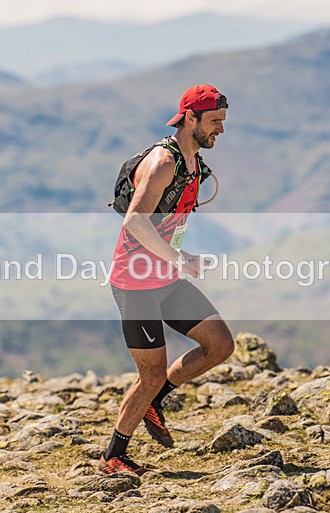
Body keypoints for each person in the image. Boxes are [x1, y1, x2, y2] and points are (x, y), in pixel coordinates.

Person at [101, 84, 235, 474]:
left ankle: (155, 402)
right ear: (190, 118)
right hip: (135, 283)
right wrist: (179, 258)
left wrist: (178, 260)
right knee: (151, 374)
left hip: (166, 278)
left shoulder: (193, 163)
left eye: (223, 122)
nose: (220, 130)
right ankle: (113, 457)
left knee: (219, 344)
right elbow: (135, 221)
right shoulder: (163, 163)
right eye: (215, 121)